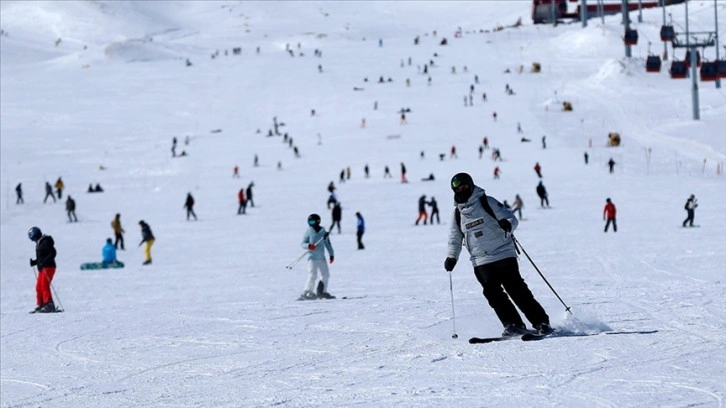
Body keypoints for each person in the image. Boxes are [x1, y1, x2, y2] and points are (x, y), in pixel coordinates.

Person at [444, 173, 552, 336]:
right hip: (480, 261)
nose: (461, 190)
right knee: (492, 294)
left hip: (503, 254)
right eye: (458, 189)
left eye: (464, 187)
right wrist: (452, 257)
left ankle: (541, 322)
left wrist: (507, 224)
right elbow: (454, 238)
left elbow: (511, 218)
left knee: (516, 289)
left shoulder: (487, 202)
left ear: (471, 185)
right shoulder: (457, 214)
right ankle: (513, 324)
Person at [299, 214, 335, 300]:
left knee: (326, 275)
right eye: (309, 221)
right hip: (312, 258)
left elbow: (328, 244)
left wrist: (331, 254)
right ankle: (307, 292)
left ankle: (322, 291)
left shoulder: (323, 232)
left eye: (312, 221)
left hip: (322, 258)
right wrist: (309, 246)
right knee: (313, 274)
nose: (311, 223)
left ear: (318, 221)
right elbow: (302, 244)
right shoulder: (309, 231)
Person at [28, 226, 58, 313]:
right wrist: (35, 262)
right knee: (38, 287)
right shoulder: (40, 242)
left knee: (44, 285)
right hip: (43, 267)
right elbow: (42, 257)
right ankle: (41, 304)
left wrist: (44, 261)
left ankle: (49, 304)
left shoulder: (45, 241)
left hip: (49, 266)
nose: (32, 240)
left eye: (32, 238)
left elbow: (53, 252)